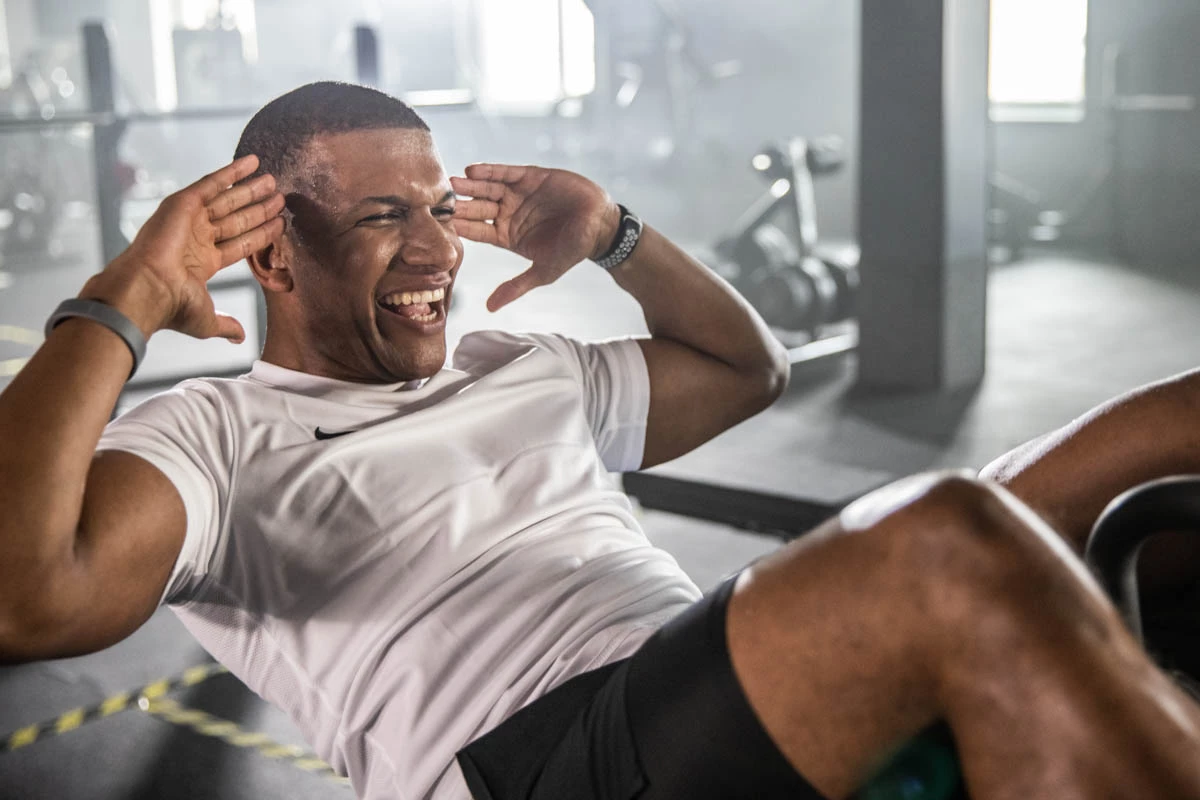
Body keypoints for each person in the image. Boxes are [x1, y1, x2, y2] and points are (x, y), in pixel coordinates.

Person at [0, 80, 1197, 800]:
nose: (435, 253)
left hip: (689, 680)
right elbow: (22, 596)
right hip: (535, 759)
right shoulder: (210, 435)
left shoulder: (518, 365)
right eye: (381, 218)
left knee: (1174, 425)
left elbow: (749, 368)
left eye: (436, 209)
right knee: (944, 540)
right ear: (270, 254)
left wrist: (619, 233)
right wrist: (128, 290)